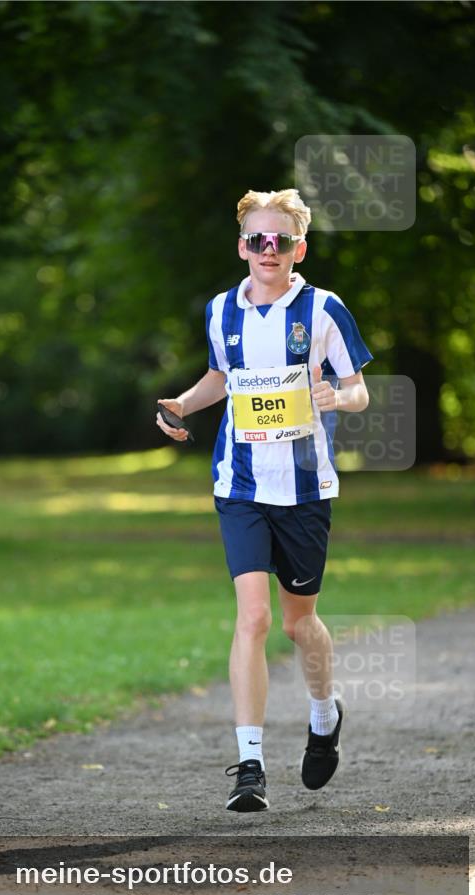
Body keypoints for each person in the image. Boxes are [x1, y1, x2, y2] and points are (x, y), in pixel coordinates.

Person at [156, 188, 373, 812]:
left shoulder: (325, 309)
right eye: (257, 239)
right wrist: (179, 404)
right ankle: (249, 765)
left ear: (298, 248)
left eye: (279, 240)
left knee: (299, 621)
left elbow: (357, 389)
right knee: (252, 617)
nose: (267, 249)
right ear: (243, 246)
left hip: (304, 488)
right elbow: (222, 378)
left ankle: (324, 713)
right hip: (241, 484)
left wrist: (339, 398)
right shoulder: (221, 309)